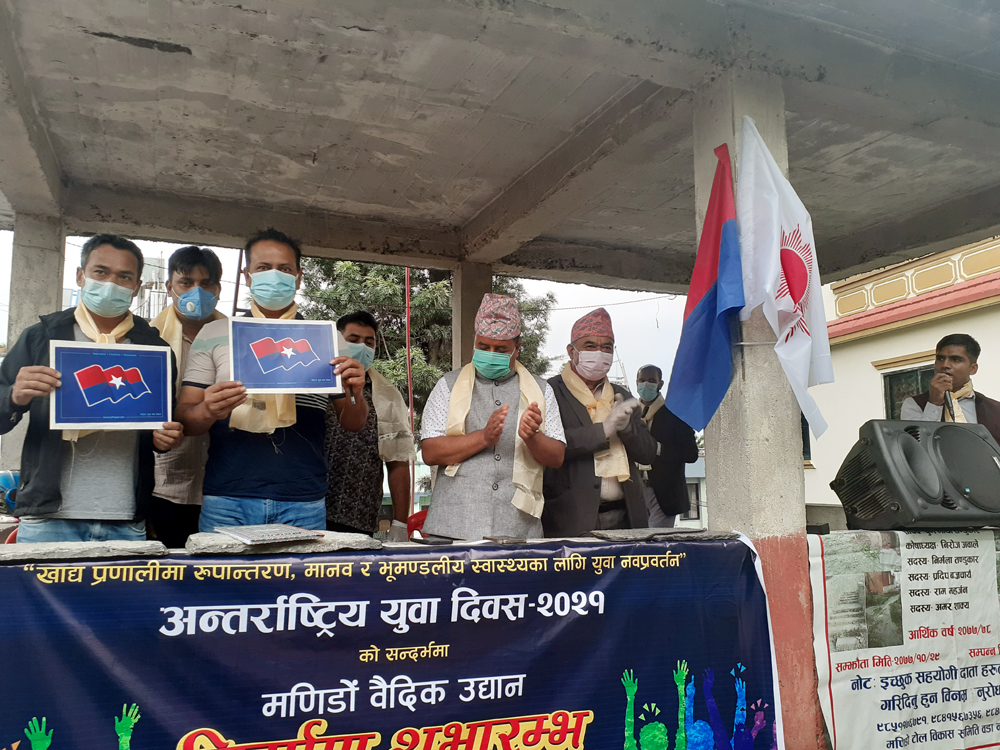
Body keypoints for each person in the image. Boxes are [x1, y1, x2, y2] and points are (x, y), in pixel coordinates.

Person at [176, 228, 367, 531]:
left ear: (298, 278)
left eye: (285, 269)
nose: (274, 276)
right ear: (248, 276)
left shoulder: (327, 339)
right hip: (227, 497)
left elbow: (352, 423)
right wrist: (208, 409)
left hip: (304, 500)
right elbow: (186, 420)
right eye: (263, 267)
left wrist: (357, 392)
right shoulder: (215, 334)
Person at [0, 234, 184, 543]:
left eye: (124, 277)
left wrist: (165, 439)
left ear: (136, 286)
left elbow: (161, 427)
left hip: (125, 519)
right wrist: (14, 397)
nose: (111, 283)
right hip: (47, 519)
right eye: (101, 272)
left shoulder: (156, 349)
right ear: (80, 276)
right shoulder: (42, 337)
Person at [420, 293, 565, 541]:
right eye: (483, 347)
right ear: (475, 342)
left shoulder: (542, 391)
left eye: (500, 349)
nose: (490, 353)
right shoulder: (447, 385)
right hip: (453, 526)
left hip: (517, 528)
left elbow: (557, 457)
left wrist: (532, 437)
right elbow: (430, 452)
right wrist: (483, 437)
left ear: (518, 349)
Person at [542, 308, 655, 536]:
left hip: (627, 517)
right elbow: (549, 447)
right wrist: (603, 430)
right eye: (590, 346)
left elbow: (648, 454)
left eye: (607, 347)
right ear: (572, 351)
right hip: (572, 520)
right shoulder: (550, 391)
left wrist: (627, 429)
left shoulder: (622, 395)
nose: (599, 353)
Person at [147, 246, 226, 548]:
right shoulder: (147, 340)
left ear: (218, 289)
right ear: (170, 287)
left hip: (224, 486)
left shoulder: (236, 339)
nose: (197, 291)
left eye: (206, 283)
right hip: (164, 484)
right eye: (186, 282)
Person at [325, 311, 415, 541]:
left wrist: (400, 523)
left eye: (369, 342)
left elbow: (398, 462)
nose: (362, 348)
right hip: (309, 508)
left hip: (358, 516)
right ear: (336, 341)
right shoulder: (315, 384)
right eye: (353, 340)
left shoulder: (387, 396)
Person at [900, 333, 1000, 444]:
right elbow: (915, 447)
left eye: (956, 359)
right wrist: (934, 404)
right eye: (940, 358)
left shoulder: (996, 409)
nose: (945, 365)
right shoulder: (914, 404)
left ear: (973, 369)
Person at [635, 365, 698, 528]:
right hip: (635, 491)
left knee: (655, 540)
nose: (645, 385)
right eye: (642, 380)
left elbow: (691, 454)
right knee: (636, 540)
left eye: (651, 380)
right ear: (636, 382)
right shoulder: (631, 413)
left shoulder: (675, 413)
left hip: (664, 494)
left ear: (660, 384)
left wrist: (658, 449)